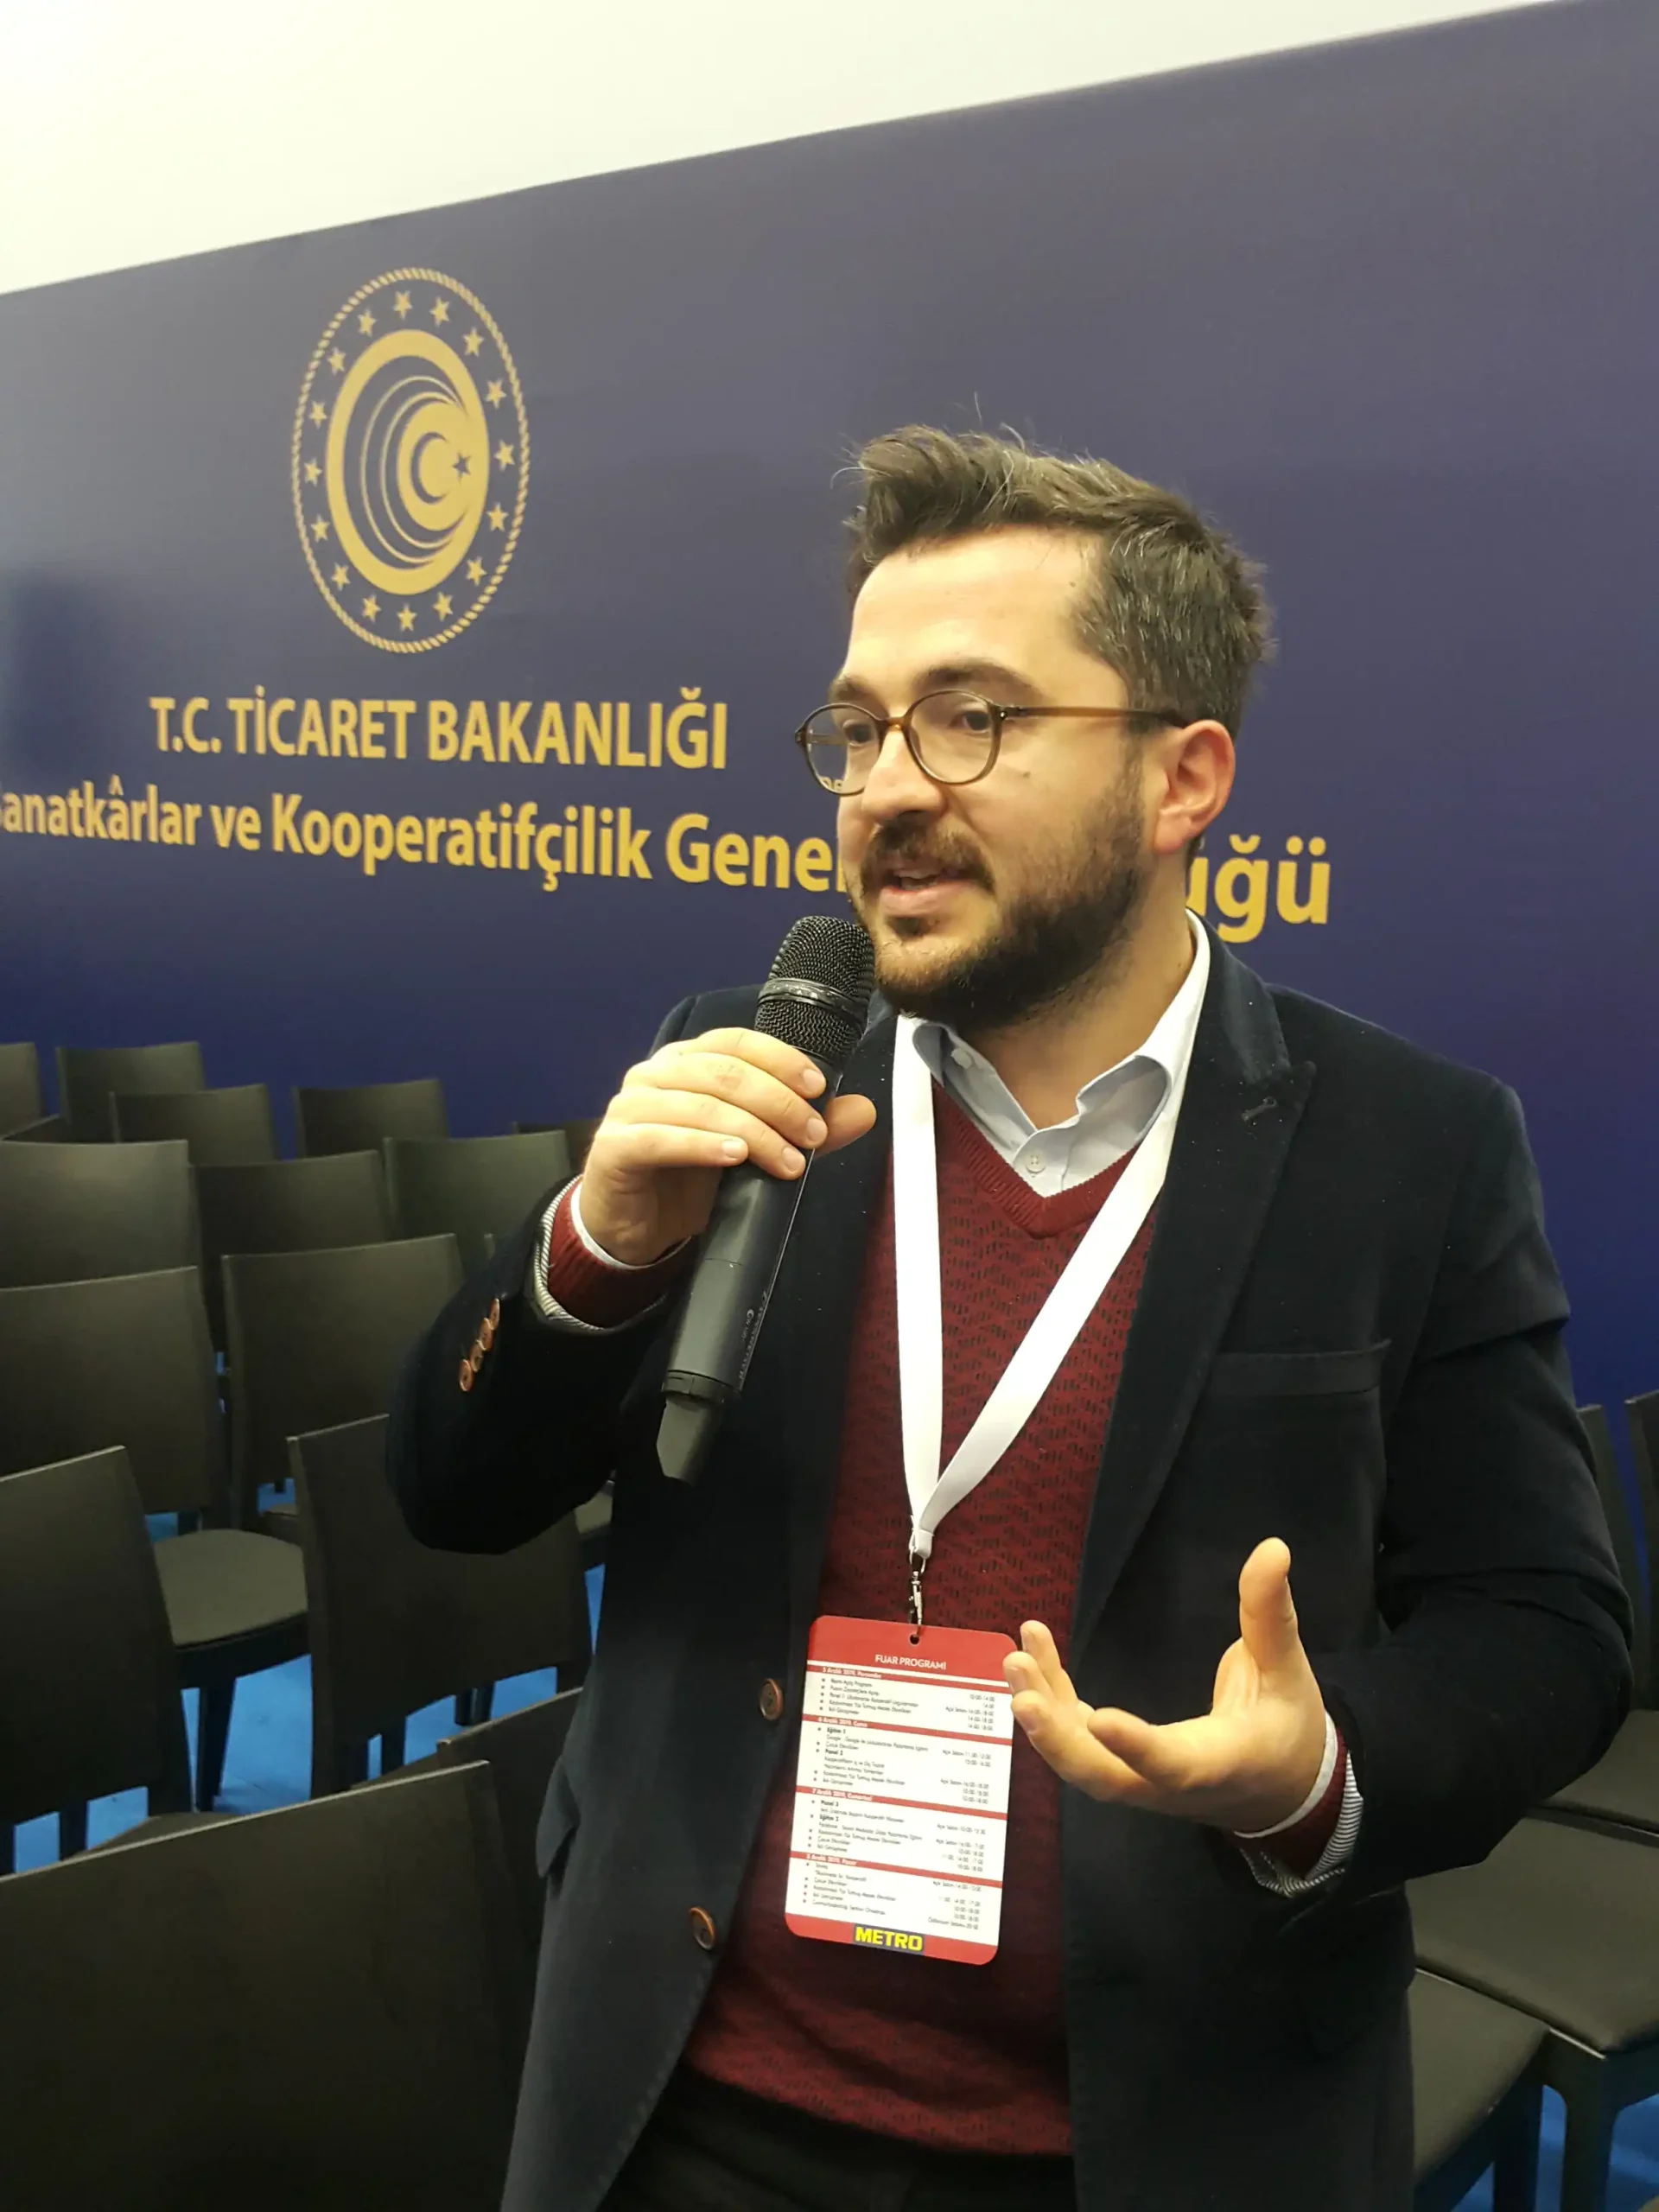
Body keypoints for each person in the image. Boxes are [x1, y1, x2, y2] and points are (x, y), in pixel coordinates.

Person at [390, 428, 1629, 2212]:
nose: (888, 787)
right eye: (859, 729)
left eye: (969, 718)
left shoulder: (1408, 1150)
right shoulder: (750, 1067)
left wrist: (1317, 1772)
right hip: (680, 2091)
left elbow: (1545, 1628)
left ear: (1183, 777)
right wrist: (595, 1248)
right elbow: (451, 1488)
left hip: (1156, 2133)